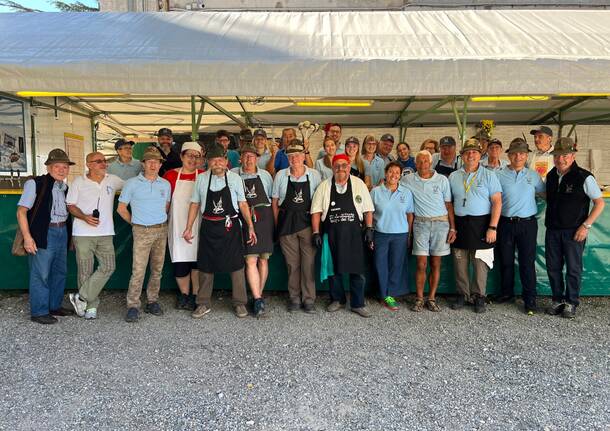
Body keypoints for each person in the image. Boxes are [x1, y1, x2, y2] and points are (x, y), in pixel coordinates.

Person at [183, 142, 257, 319]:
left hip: (230, 226)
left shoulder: (235, 179)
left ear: (225, 161)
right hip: (209, 226)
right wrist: (188, 227)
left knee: (237, 266)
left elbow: (242, 204)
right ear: (208, 162)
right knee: (205, 266)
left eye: (220, 160)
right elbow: (195, 204)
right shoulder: (201, 179)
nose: (217, 163)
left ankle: (240, 303)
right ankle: (203, 303)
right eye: (213, 160)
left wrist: (250, 227)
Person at [545, 137, 605, 319]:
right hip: (553, 230)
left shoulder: (584, 177)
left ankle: (571, 302)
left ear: (572, 155)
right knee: (553, 267)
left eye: (564, 155)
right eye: (557, 155)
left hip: (574, 231)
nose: (560, 159)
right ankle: (557, 300)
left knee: (573, 268)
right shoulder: (551, 175)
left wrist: (585, 226)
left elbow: (599, 203)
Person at [311, 154, 375, 318]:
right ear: (332, 168)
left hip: (355, 235)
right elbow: (316, 212)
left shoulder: (359, 184)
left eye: (344, 165)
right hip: (332, 234)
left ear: (349, 166)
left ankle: (358, 303)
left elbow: (368, 208)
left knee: (357, 271)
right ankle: (337, 300)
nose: (341, 168)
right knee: (334, 270)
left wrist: (369, 228)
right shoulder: (324, 186)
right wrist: (316, 232)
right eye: (337, 165)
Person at [16, 149, 74, 324]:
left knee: (59, 271)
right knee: (41, 273)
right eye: (57, 166)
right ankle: (39, 311)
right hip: (44, 232)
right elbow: (21, 212)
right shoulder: (35, 184)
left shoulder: (65, 187)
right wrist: (27, 237)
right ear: (49, 167)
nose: (62, 170)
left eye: (65, 167)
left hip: (62, 231)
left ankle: (54, 306)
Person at [67, 152, 124, 320]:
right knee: (85, 270)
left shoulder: (112, 179)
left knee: (108, 266)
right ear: (89, 164)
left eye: (104, 161)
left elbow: (131, 186)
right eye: (98, 161)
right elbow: (70, 205)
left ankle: (81, 297)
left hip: (106, 233)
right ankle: (91, 306)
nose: (103, 164)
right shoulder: (78, 181)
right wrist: (84, 217)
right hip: (83, 233)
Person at [117, 146, 171, 323]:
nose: (154, 164)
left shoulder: (165, 184)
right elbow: (121, 209)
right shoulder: (132, 183)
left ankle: (152, 301)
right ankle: (133, 305)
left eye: (157, 161)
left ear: (160, 164)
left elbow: (166, 207)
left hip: (161, 229)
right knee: (138, 270)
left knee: (157, 269)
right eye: (150, 161)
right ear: (144, 163)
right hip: (142, 230)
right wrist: (136, 223)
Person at [448, 139, 502, 313]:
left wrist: (492, 227)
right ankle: (462, 294)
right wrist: (452, 227)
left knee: (480, 264)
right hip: (460, 224)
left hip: (482, 224)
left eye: (475, 152)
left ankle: (479, 296)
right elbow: (448, 203)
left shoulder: (489, 175)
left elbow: (497, 202)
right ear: (462, 155)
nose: (471, 155)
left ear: (480, 155)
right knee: (460, 262)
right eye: (467, 152)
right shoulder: (454, 176)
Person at [495, 138, 544, 315]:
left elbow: (544, 194)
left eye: (522, 153)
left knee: (527, 262)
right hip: (505, 223)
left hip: (527, 224)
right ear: (508, 155)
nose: (518, 156)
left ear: (526, 156)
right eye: (514, 153)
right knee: (506, 261)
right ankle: (507, 293)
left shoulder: (533, 175)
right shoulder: (498, 174)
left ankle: (530, 299)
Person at [272, 139, 321, 313]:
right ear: (287, 157)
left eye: (298, 155)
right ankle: (294, 298)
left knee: (308, 264)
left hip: (307, 224)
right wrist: (276, 227)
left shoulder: (314, 174)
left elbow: (318, 203)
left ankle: (309, 299)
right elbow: (275, 203)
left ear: (304, 155)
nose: (295, 159)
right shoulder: (280, 175)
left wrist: (317, 229)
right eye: (291, 156)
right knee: (292, 265)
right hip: (286, 224)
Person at [403, 150, 456, 312]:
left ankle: (431, 298)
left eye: (426, 161)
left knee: (435, 263)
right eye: (419, 162)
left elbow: (448, 205)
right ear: (415, 163)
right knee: (421, 263)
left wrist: (453, 227)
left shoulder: (442, 180)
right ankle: (419, 298)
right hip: (420, 224)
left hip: (441, 224)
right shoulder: (407, 180)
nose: (423, 164)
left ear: (431, 162)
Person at [232, 143, 275, 318]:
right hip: (243, 217)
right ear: (240, 158)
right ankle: (257, 298)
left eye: (252, 156)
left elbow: (272, 200)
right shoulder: (233, 174)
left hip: (264, 218)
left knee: (263, 260)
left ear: (257, 158)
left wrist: (274, 224)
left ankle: (258, 295)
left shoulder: (265, 175)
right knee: (250, 259)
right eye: (245, 156)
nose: (249, 159)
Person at [162, 142, 204, 310]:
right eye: (189, 156)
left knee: (197, 263)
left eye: (196, 156)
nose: (192, 160)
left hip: (199, 225)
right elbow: (165, 202)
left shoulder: (203, 175)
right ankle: (184, 294)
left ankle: (196, 295)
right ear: (181, 156)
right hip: (177, 225)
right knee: (180, 262)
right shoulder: (170, 176)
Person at [370, 162, 414, 311]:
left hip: (400, 235)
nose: (393, 175)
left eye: (397, 172)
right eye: (391, 172)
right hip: (380, 234)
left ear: (400, 175)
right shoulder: (375, 192)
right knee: (380, 265)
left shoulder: (406, 193)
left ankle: (391, 294)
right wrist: (370, 234)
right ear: (385, 173)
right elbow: (369, 213)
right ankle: (384, 295)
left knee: (396, 265)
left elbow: (409, 215)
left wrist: (408, 234)